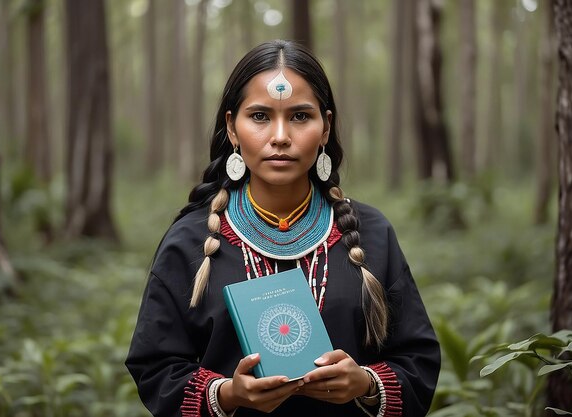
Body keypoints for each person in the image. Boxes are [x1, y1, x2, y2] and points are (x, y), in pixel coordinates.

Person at [126, 39, 440, 417]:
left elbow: (418, 359)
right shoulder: (192, 240)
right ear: (232, 127)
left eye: (300, 117)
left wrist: (366, 384)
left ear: (326, 127)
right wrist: (226, 393)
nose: (279, 137)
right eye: (259, 116)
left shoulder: (371, 233)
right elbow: (155, 366)